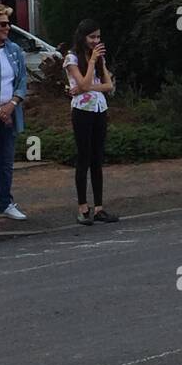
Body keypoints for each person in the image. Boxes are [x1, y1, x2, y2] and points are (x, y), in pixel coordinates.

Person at [64, 19, 119, 225]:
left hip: (99, 108)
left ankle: (99, 207)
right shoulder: (72, 58)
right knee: (84, 157)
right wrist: (91, 64)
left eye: (98, 37)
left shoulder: (99, 58)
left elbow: (108, 86)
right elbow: (84, 83)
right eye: (92, 37)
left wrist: (98, 65)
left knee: (97, 158)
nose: (96, 41)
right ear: (83, 37)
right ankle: (82, 207)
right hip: (82, 110)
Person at [0, 4, 28, 221]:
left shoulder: (14, 50)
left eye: (7, 24)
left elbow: (22, 80)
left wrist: (12, 104)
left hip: (9, 113)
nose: (7, 28)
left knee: (6, 161)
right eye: (2, 24)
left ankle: (5, 203)